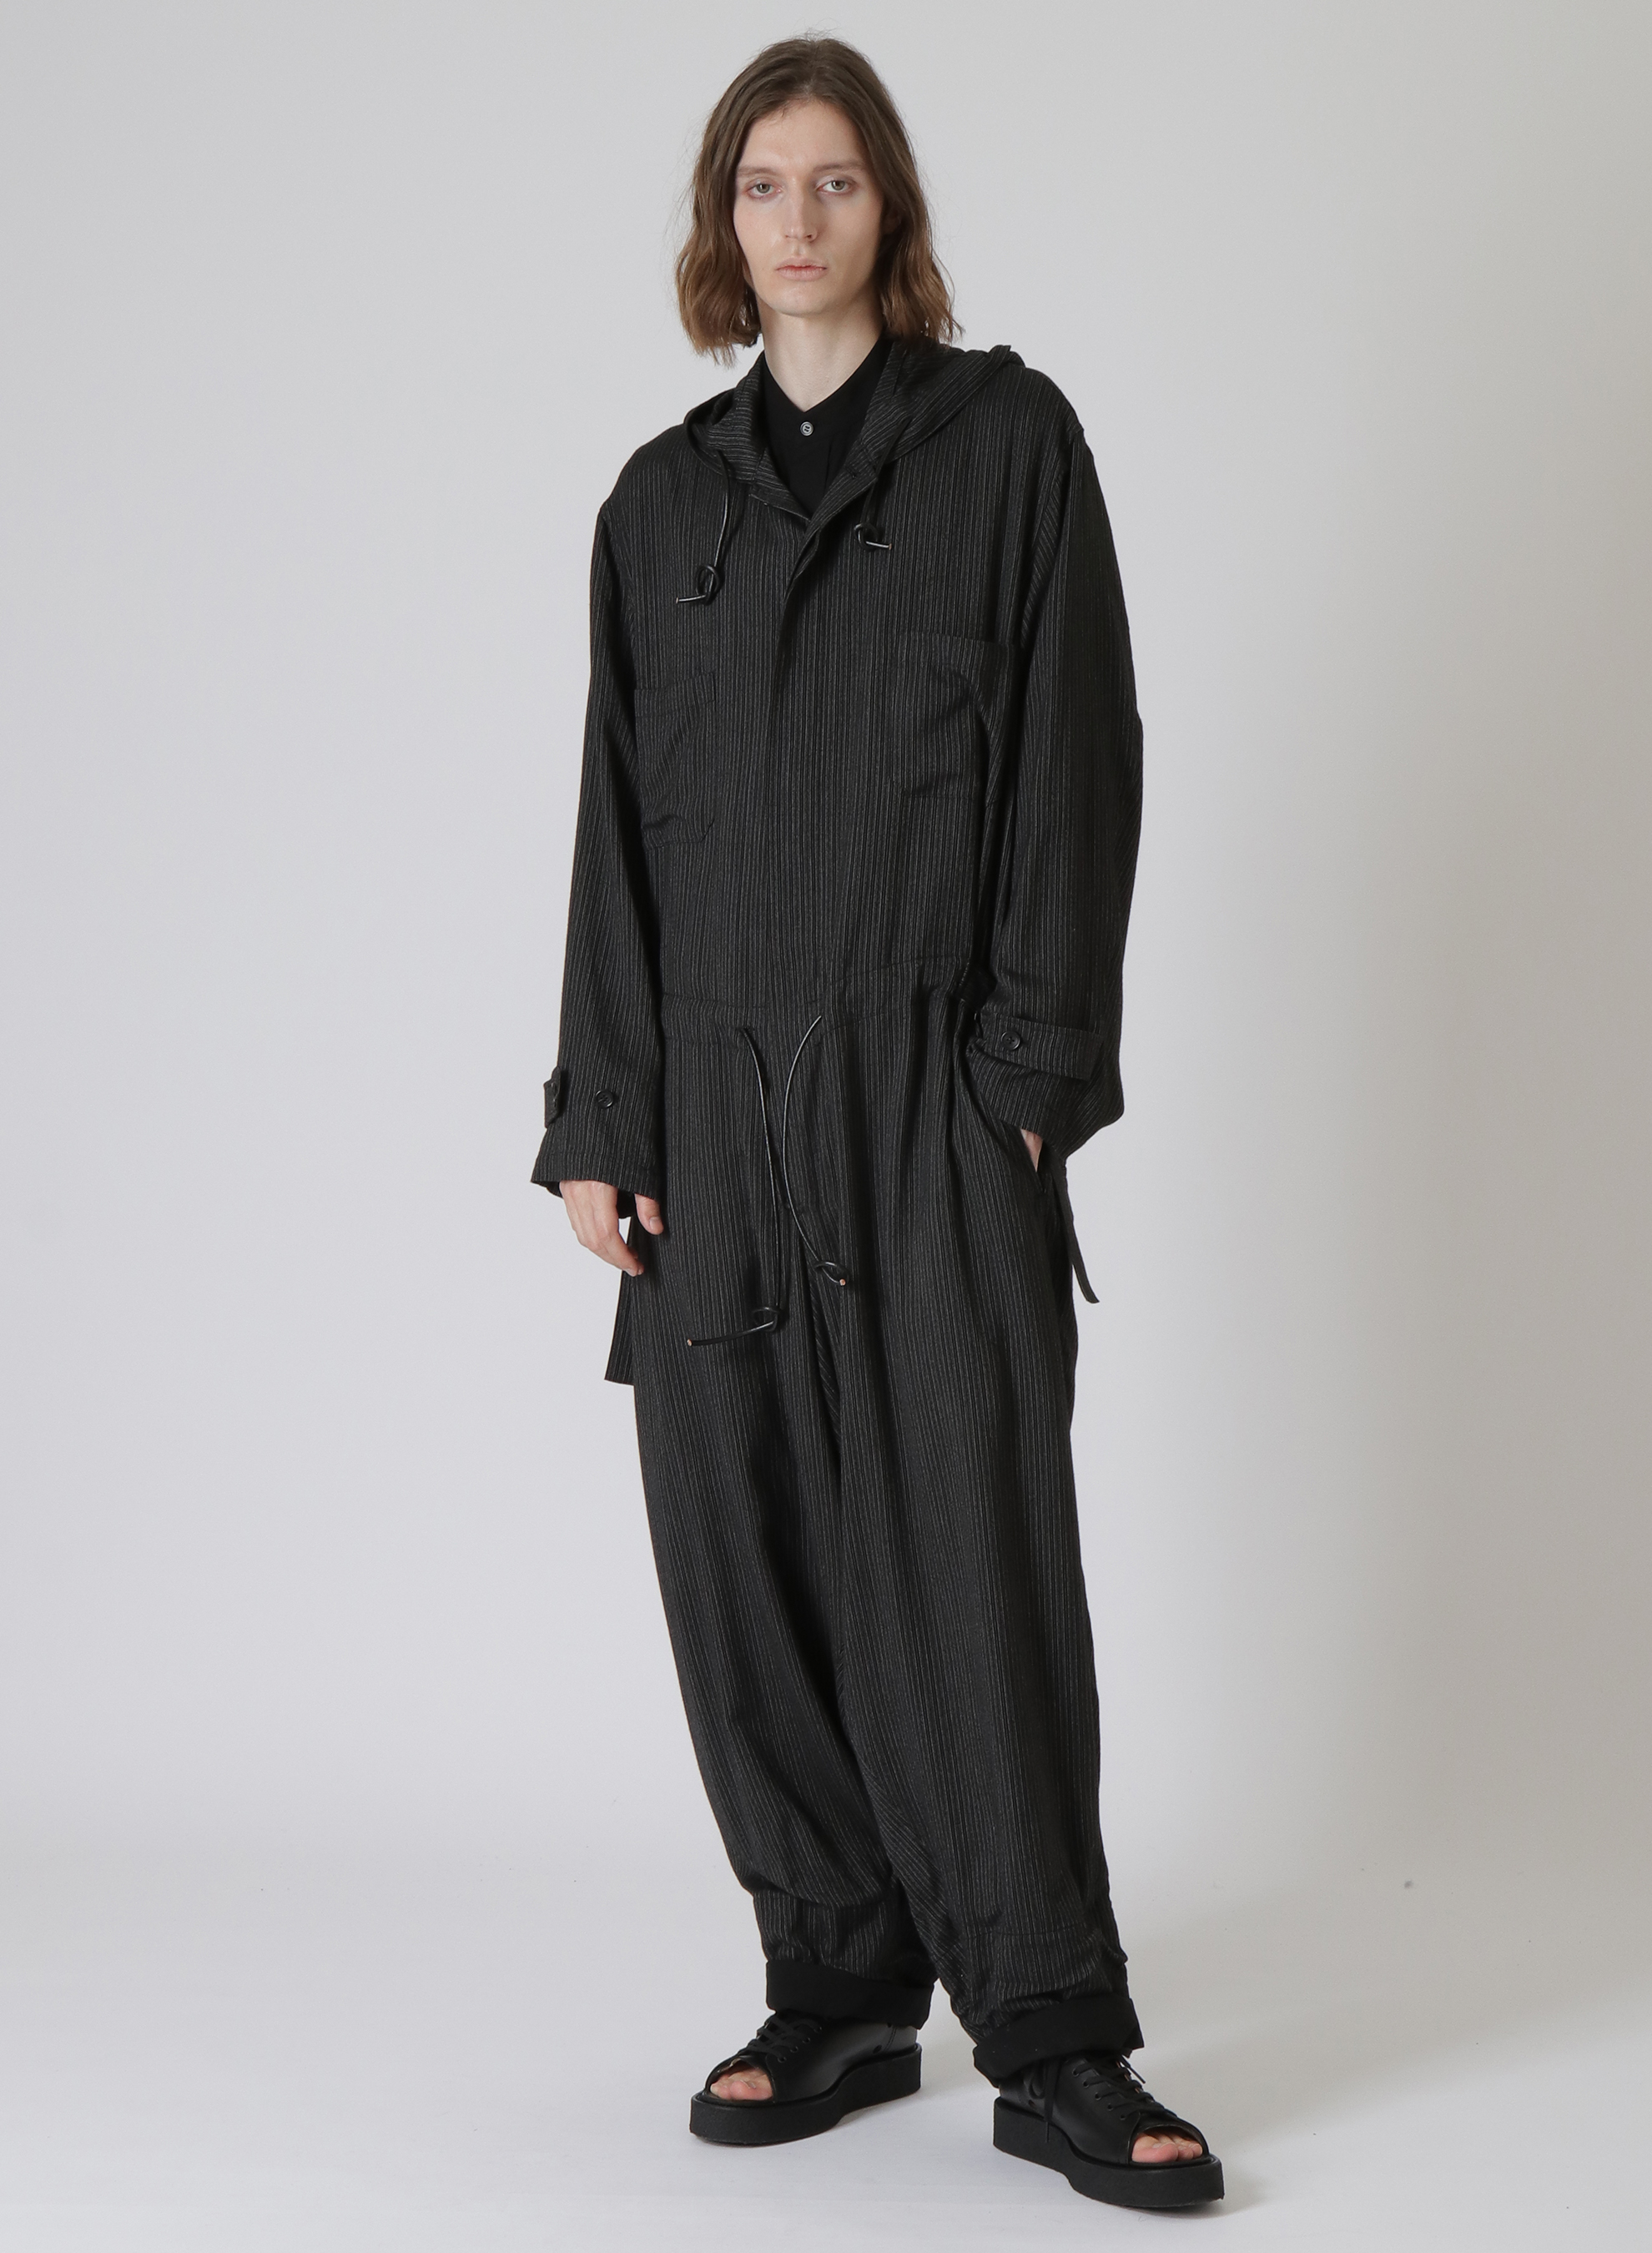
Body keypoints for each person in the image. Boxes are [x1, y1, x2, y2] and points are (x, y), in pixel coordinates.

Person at [534, 36, 1221, 2213]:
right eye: (762, 184)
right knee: (741, 1552)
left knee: (968, 1557)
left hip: (930, 1093)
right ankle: (834, 1980)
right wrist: (603, 1115)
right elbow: (613, 829)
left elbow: (1076, 767)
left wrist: (1024, 1086)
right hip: (708, 1113)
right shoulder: (658, 508)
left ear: (887, 211)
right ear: (720, 226)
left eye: (834, 181)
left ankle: (1055, 2029)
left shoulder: (1006, 447)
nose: (797, 218)